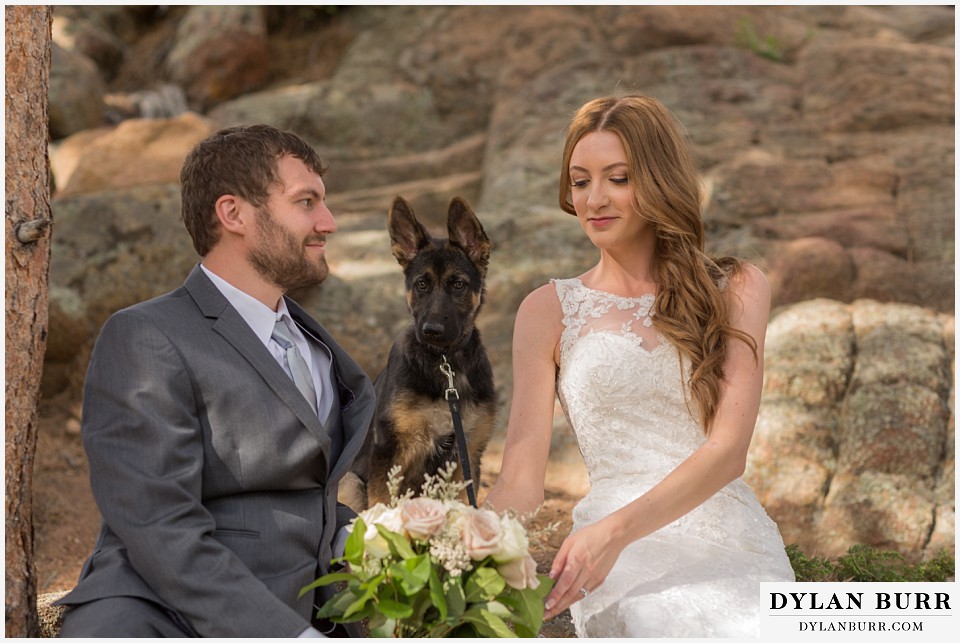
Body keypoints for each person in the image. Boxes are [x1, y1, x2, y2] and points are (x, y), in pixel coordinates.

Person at [484, 95, 795, 637]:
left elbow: (727, 453)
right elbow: (520, 477)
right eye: (580, 182)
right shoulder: (547, 310)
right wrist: (455, 548)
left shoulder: (737, 286)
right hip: (612, 558)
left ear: (656, 180)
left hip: (726, 535)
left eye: (618, 178)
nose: (594, 199)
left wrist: (614, 533)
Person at [56, 124, 375, 637]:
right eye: (306, 202)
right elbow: (160, 526)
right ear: (233, 214)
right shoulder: (146, 337)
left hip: (314, 612)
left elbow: (303, 490)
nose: (329, 222)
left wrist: (361, 539)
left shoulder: (313, 344)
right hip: (165, 619)